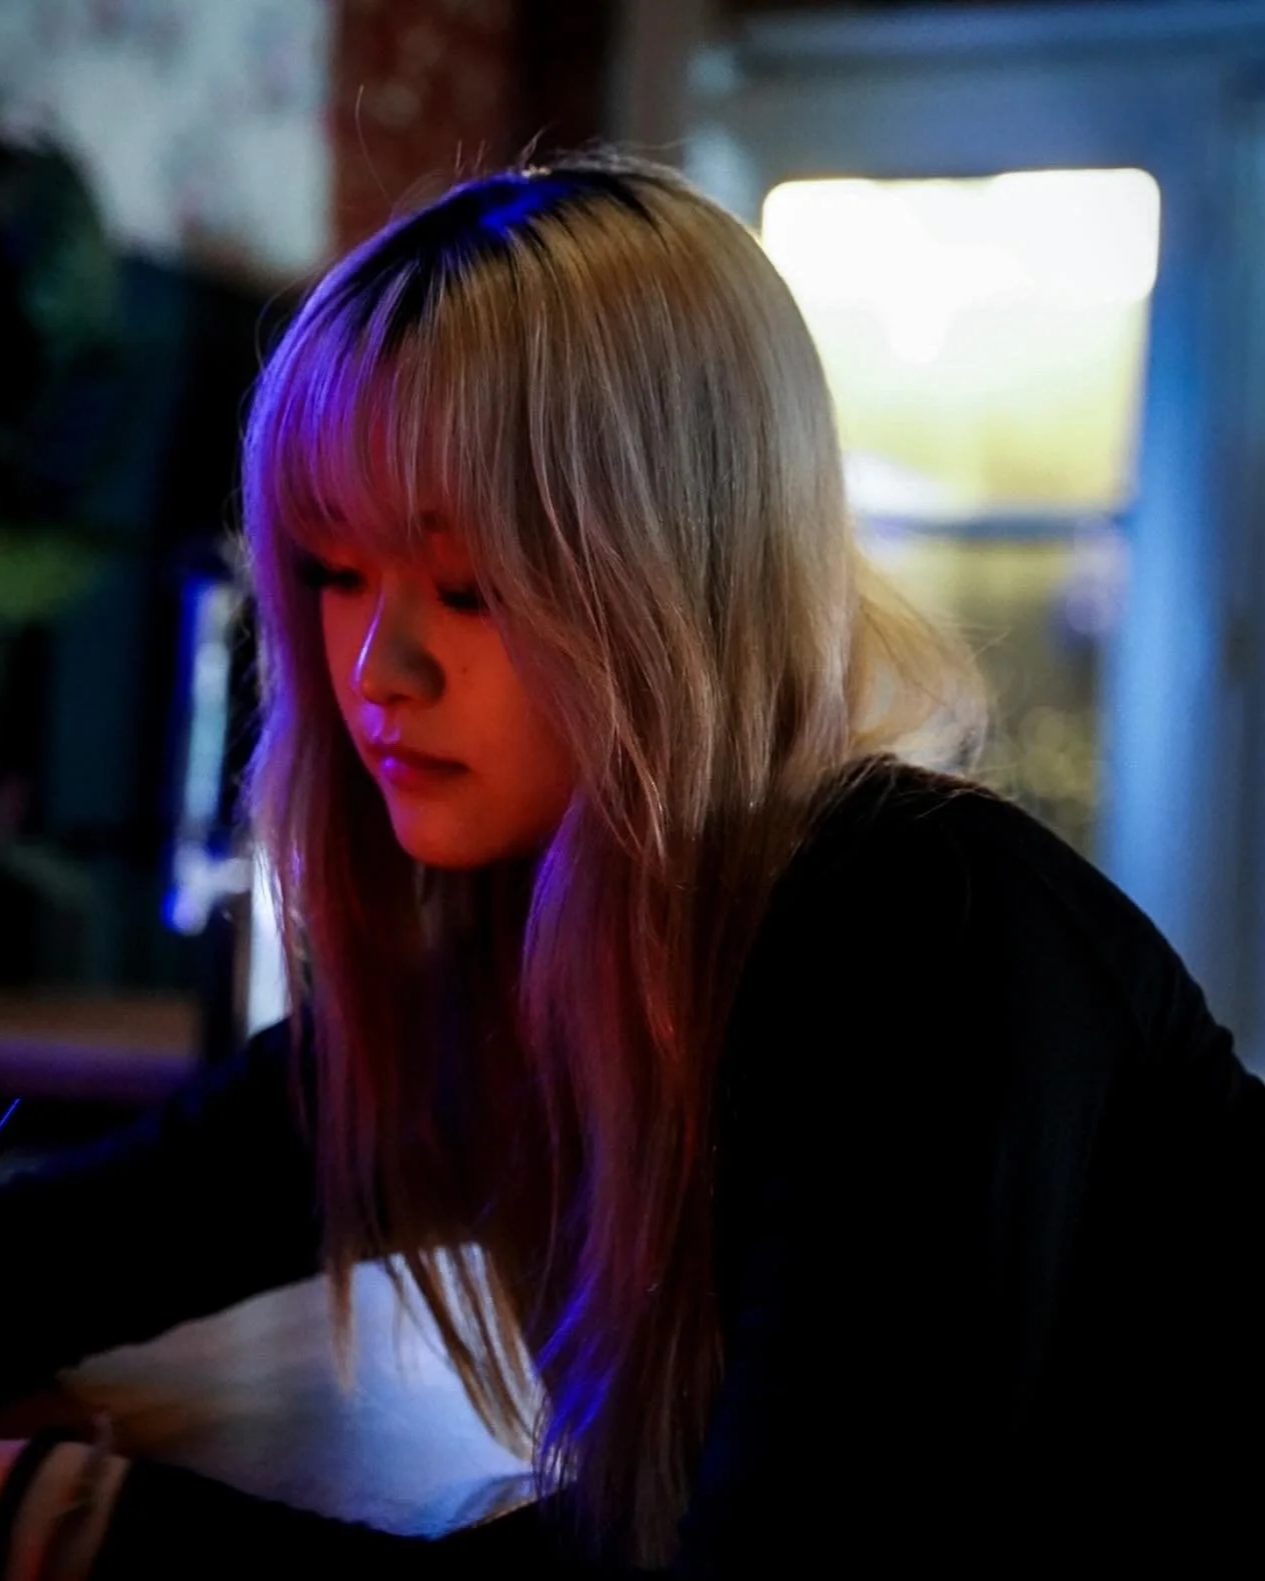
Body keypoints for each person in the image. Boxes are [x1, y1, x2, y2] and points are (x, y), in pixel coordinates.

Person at [0, 151, 1262, 1578]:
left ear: (676, 580)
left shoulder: (916, 931)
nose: (376, 669)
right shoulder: (504, 984)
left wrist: (76, 1522)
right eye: (337, 571)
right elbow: (98, 1240)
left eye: (469, 586)